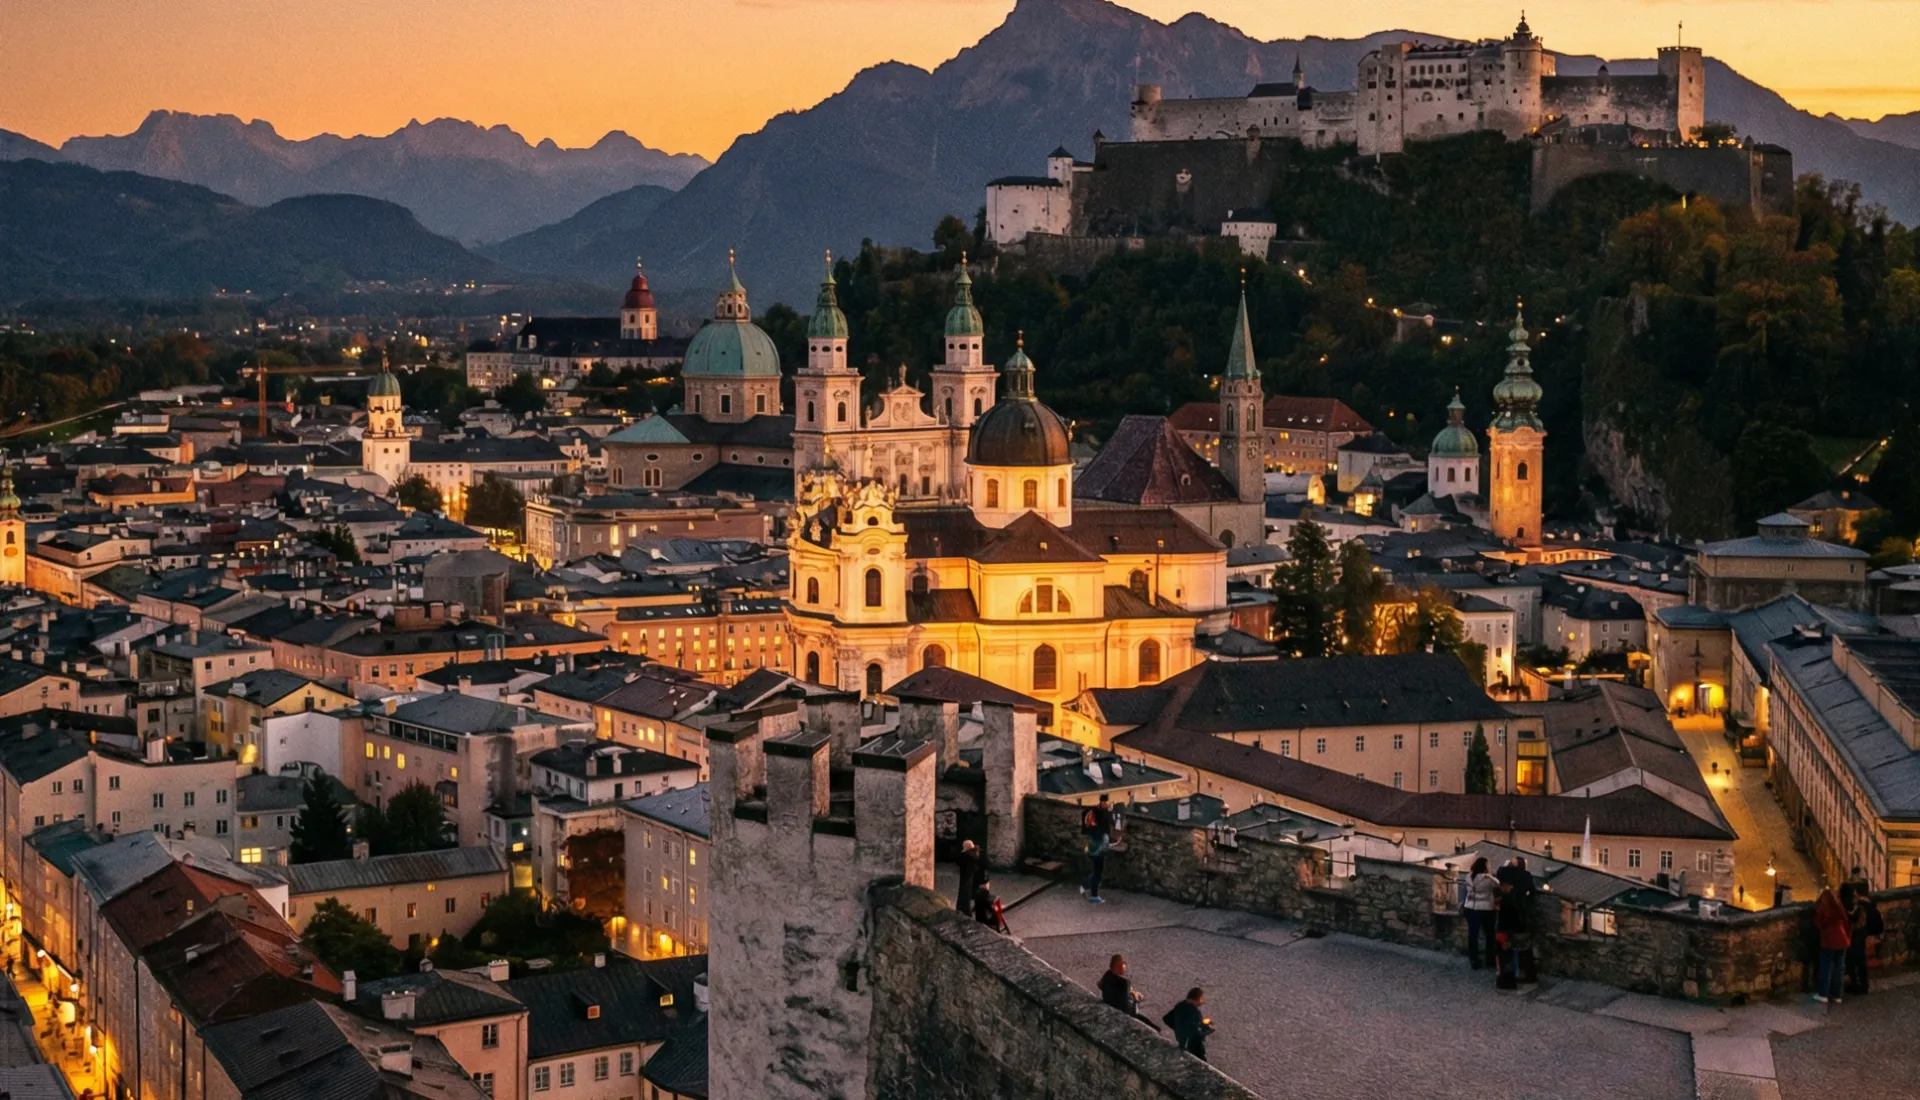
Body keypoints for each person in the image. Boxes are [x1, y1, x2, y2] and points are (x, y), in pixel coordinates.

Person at [1494, 856, 1536, 986]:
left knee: (1506, 947)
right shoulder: (1526, 875)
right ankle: (1529, 975)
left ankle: (1507, 979)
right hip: (1521, 914)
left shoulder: (1505, 873)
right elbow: (1532, 892)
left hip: (1507, 913)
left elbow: (1499, 873)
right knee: (1524, 946)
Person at [1812, 883, 1851, 1004]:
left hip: (1829, 941)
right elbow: (1846, 921)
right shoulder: (1838, 905)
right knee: (1839, 969)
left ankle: (1823, 994)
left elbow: (1818, 924)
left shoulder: (1822, 907)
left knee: (1826, 967)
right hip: (1842, 940)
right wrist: (1847, 937)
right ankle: (1837, 995)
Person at [1098, 955, 1159, 1029]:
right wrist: (1136, 998)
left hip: (1108, 1002)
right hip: (1123, 1010)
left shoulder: (1107, 974)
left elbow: (1100, 985)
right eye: (1124, 964)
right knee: (1149, 1024)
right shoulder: (1125, 983)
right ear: (1119, 965)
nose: (1125, 967)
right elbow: (1126, 1004)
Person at [1463, 856, 1500, 970]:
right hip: (1485, 908)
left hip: (1469, 907)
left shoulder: (1468, 876)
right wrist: (1490, 875)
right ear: (1485, 867)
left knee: (1473, 935)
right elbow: (1498, 884)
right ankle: (1490, 960)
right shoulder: (1487, 879)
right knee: (1490, 935)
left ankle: (1474, 960)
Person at [1845, 886, 1882, 996]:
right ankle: (1862, 985)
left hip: (1857, 937)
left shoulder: (1860, 907)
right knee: (1860, 962)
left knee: (1853, 961)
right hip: (1863, 936)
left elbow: (1856, 921)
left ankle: (1857, 985)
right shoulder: (1868, 904)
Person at [1162, 987, 1213, 1061]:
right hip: (1194, 1047)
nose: (1202, 1001)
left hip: (1182, 1042)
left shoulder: (1180, 1006)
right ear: (1196, 998)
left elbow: (1166, 1019)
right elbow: (1195, 1032)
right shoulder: (1193, 1012)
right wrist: (1207, 1029)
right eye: (1201, 999)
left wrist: (1178, 1029)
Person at [1080, 794, 1113, 904]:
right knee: (1097, 872)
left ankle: (1087, 887)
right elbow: (1106, 828)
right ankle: (1092, 894)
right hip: (1098, 845)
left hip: (1093, 844)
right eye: (1106, 802)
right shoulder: (1103, 813)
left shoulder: (1093, 811)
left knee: (1096, 871)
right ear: (1104, 802)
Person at [954, 839, 981, 912]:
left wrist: (962, 853)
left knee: (964, 892)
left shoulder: (967, 855)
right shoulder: (974, 854)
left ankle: (963, 909)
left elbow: (958, 861)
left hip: (966, 875)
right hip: (970, 875)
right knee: (967, 892)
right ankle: (964, 908)